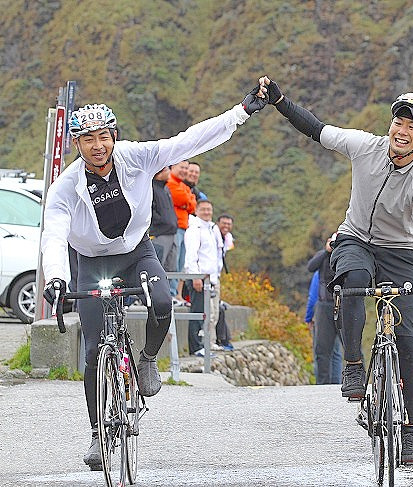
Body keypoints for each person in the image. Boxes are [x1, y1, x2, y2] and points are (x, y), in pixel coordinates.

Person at [40, 90, 267, 469]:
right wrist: (58, 279)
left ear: (115, 136)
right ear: (76, 144)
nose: (98, 146)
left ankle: (146, 360)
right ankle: (98, 434)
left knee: (161, 302)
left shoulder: (137, 157)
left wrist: (239, 114)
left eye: (104, 137)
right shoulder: (65, 187)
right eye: (87, 139)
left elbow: (187, 141)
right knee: (95, 349)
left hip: (136, 251)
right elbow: (53, 234)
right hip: (92, 261)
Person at [259, 76, 413, 465]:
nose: (403, 129)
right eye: (399, 121)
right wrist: (280, 101)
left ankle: (411, 430)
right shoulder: (366, 146)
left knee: (411, 345)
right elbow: (316, 129)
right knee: (354, 282)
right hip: (355, 239)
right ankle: (353, 365)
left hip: (401, 252)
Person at [184, 199, 222, 356]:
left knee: (207, 314)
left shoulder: (211, 229)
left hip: (210, 279)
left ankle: (202, 344)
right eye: (204, 209)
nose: (207, 212)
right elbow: (191, 255)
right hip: (198, 278)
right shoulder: (194, 229)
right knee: (197, 312)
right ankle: (195, 347)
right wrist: (195, 277)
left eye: (209, 209)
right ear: (197, 210)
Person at [307, 233, 344, 384]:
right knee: (322, 349)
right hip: (324, 305)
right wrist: (325, 251)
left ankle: (353, 380)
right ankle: (322, 384)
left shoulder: (346, 257)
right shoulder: (322, 257)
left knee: (350, 347)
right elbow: (310, 267)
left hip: (344, 305)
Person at [304, 270, 343, 383]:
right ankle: (336, 383)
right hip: (340, 311)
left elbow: (313, 297)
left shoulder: (320, 273)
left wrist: (308, 317)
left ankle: (323, 383)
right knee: (336, 352)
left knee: (321, 351)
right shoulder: (338, 272)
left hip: (322, 315)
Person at [167, 159, 196, 303]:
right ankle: (171, 293)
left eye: (186, 168)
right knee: (173, 262)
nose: (185, 171)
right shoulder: (170, 183)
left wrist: (188, 202)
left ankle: (176, 294)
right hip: (175, 228)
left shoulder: (182, 185)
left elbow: (192, 205)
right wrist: (188, 201)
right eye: (182, 167)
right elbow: (185, 199)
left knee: (180, 262)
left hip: (184, 228)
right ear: (173, 166)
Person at [213, 213, 235, 350]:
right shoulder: (213, 234)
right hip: (208, 276)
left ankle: (221, 340)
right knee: (214, 312)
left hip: (216, 276)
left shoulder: (226, 238)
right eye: (223, 223)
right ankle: (217, 341)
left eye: (228, 224)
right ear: (218, 223)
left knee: (218, 310)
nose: (226, 226)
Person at [149, 166, 178, 272]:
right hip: (159, 234)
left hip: (172, 233)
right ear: (159, 173)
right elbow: (149, 209)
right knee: (158, 268)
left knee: (171, 269)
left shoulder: (166, 189)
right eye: (166, 170)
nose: (169, 172)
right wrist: (160, 221)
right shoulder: (151, 188)